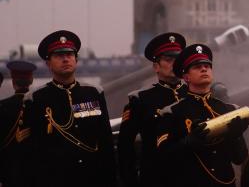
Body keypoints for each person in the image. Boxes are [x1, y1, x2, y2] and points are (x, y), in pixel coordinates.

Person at [23, 30, 116, 187]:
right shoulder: (36, 99)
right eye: (59, 56)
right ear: (48, 63)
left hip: (91, 178)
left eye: (69, 54)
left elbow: (105, 140)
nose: (65, 59)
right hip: (54, 179)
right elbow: (28, 150)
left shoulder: (93, 93)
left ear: (76, 60)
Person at [155, 43, 249, 187]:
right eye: (197, 67)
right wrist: (188, 142)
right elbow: (163, 157)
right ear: (186, 77)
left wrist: (236, 136)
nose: (204, 68)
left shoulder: (228, 109)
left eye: (207, 66)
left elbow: (239, 158)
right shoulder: (172, 112)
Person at [118, 32, 188, 187]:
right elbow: (125, 147)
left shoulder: (193, 94)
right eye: (169, 60)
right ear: (156, 66)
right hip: (157, 177)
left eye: (177, 60)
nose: (174, 64)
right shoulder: (141, 100)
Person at [0, 61, 36, 187]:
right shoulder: (41, 105)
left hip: (9, 174)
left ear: (12, 80)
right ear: (31, 80)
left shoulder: (2, 107)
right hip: (37, 174)